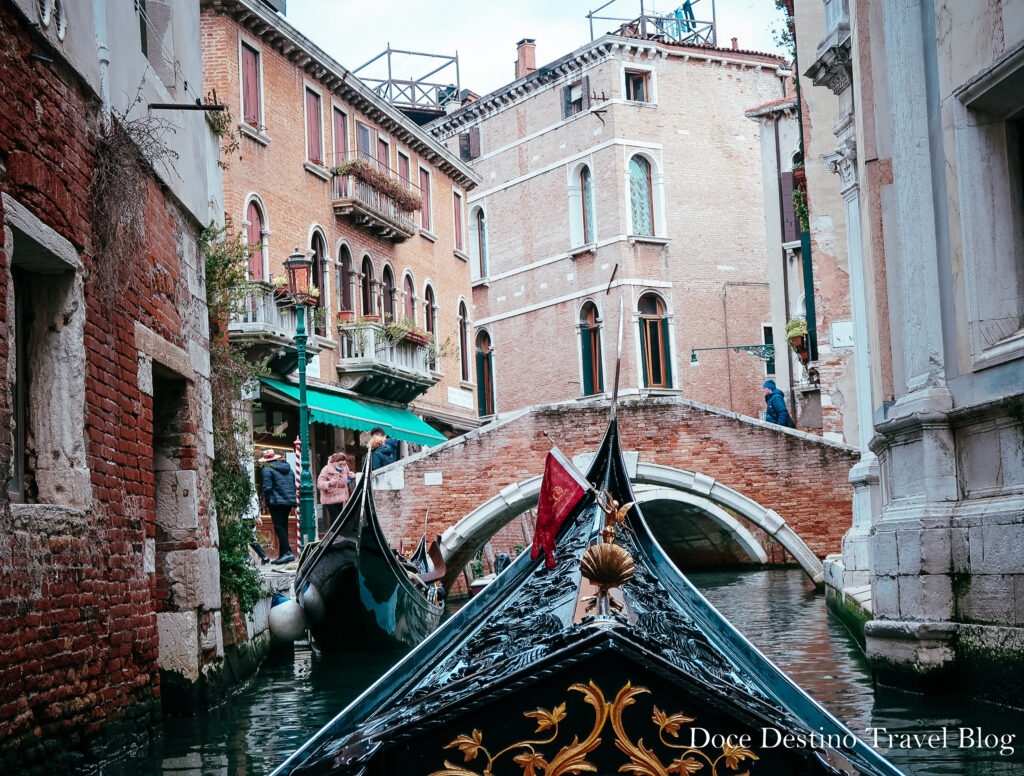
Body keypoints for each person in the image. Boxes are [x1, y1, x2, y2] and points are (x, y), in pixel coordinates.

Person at [260, 449, 296, 564]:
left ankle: (288, 552)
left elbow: (267, 487)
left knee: (279, 527)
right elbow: (292, 484)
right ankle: (283, 554)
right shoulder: (288, 469)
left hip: (276, 502)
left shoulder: (267, 469)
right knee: (283, 526)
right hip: (288, 501)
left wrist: (268, 501)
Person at [316, 452, 351, 528]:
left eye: (344, 464)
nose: (342, 466)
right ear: (334, 462)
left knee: (338, 519)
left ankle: (334, 535)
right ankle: (335, 536)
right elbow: (319, 484)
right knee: (336, 518)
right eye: (340, 464)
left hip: (340, 498)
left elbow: (348, 475)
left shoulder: (345, 468)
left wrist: (352, 477)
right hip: (329, 498)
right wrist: (330, 483)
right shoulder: (326, 469)